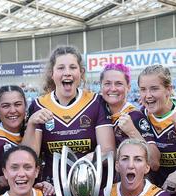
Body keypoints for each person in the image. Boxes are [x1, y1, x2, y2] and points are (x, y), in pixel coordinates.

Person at [22, 46, 115, 187]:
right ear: (51, 74)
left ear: (81, 72)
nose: (67, 73)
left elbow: (108, 151)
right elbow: (29, 157)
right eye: (60, 68)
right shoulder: (39, 105)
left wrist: (85, 162)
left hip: (90, 185)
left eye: (72, 67)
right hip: (52, 188)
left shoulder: (96, 102)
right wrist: (31, 124)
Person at [100, 63, 160, 171]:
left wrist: (132, 132)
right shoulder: (97, 112)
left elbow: (155, 162)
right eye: (107, 83)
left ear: (128, 87)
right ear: (101, 86)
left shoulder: (135, 116)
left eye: (118, 84)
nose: (112, 88)